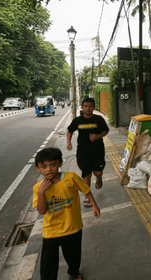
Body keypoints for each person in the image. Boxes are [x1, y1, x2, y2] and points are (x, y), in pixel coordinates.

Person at [33, 147, 100, 280]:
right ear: (38, 168)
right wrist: (41, 192)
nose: (49, 169)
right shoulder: (38, 188)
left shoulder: (71, 178)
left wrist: (94, 205)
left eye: (53, 165)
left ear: (60, 163)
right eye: (44, 166)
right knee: (48, 263)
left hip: (73, 227)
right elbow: (42, 211)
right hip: (51, 231)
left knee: (73, 255)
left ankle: (74, 273)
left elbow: (85, 190)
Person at [66, 97, 109, 207]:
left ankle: (99, 178)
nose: (88, 108)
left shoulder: (98, 119)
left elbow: (105, 130)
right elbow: (69, 131)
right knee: (86, 174)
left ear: (93, 107)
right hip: (83, 152)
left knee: (97, 172)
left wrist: (98, 136)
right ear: (82, 107)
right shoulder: (78, 120)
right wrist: (68, 142)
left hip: (97, 151)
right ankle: (87, 196)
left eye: (90, 106)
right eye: (85, 106)